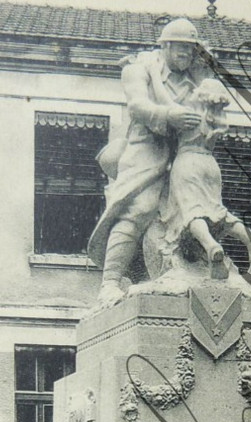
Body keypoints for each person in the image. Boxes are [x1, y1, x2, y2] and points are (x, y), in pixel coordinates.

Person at [87, 18, 210, 308]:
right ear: (165, 45)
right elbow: (137, 105)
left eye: (191, 50)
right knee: (139, 208)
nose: (186, 56)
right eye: (181, 49)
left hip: (183, 154)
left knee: (195, 212)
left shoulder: (194, 78)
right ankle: (110, 283)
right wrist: (168, 116)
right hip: (146, 149)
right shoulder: (137, 69)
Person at [160, 77, 251, 280]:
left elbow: (163, 110)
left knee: (192, 212)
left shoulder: (188, 115)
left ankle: (210, 246)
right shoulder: (218, 118)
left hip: (187, 162)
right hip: (210, 165)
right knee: (218, 212)